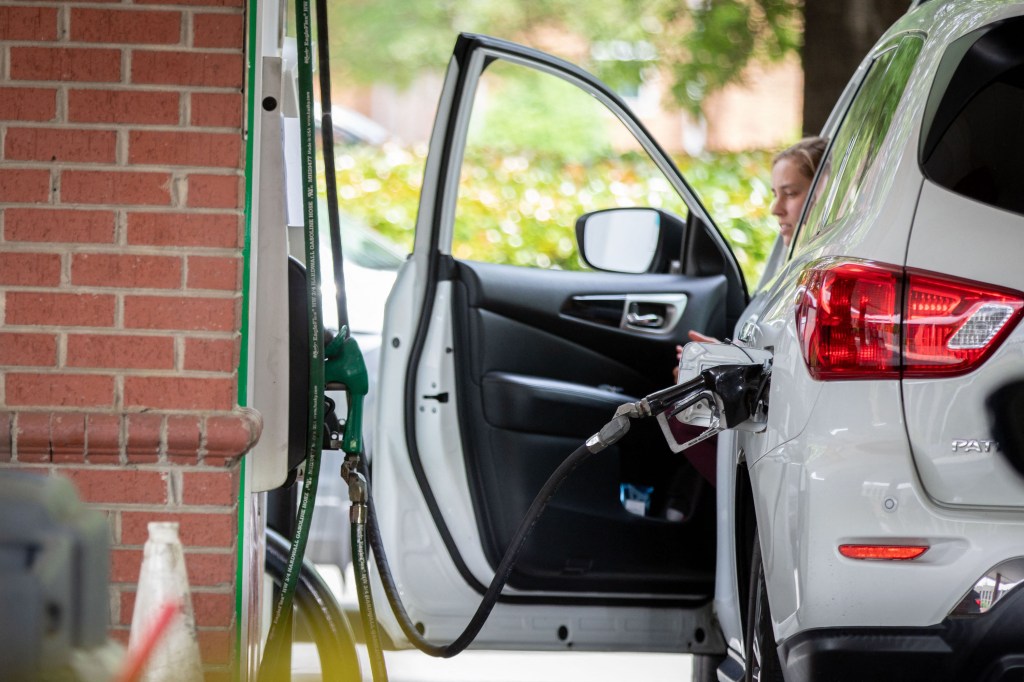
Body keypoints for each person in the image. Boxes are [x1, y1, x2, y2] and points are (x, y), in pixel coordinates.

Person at [680, 137, 828, 349]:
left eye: (791, 193)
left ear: (825, 195)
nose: (775, 209)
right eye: (776, 194)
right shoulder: (790, 270)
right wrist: (720, 357)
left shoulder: (822, 282)